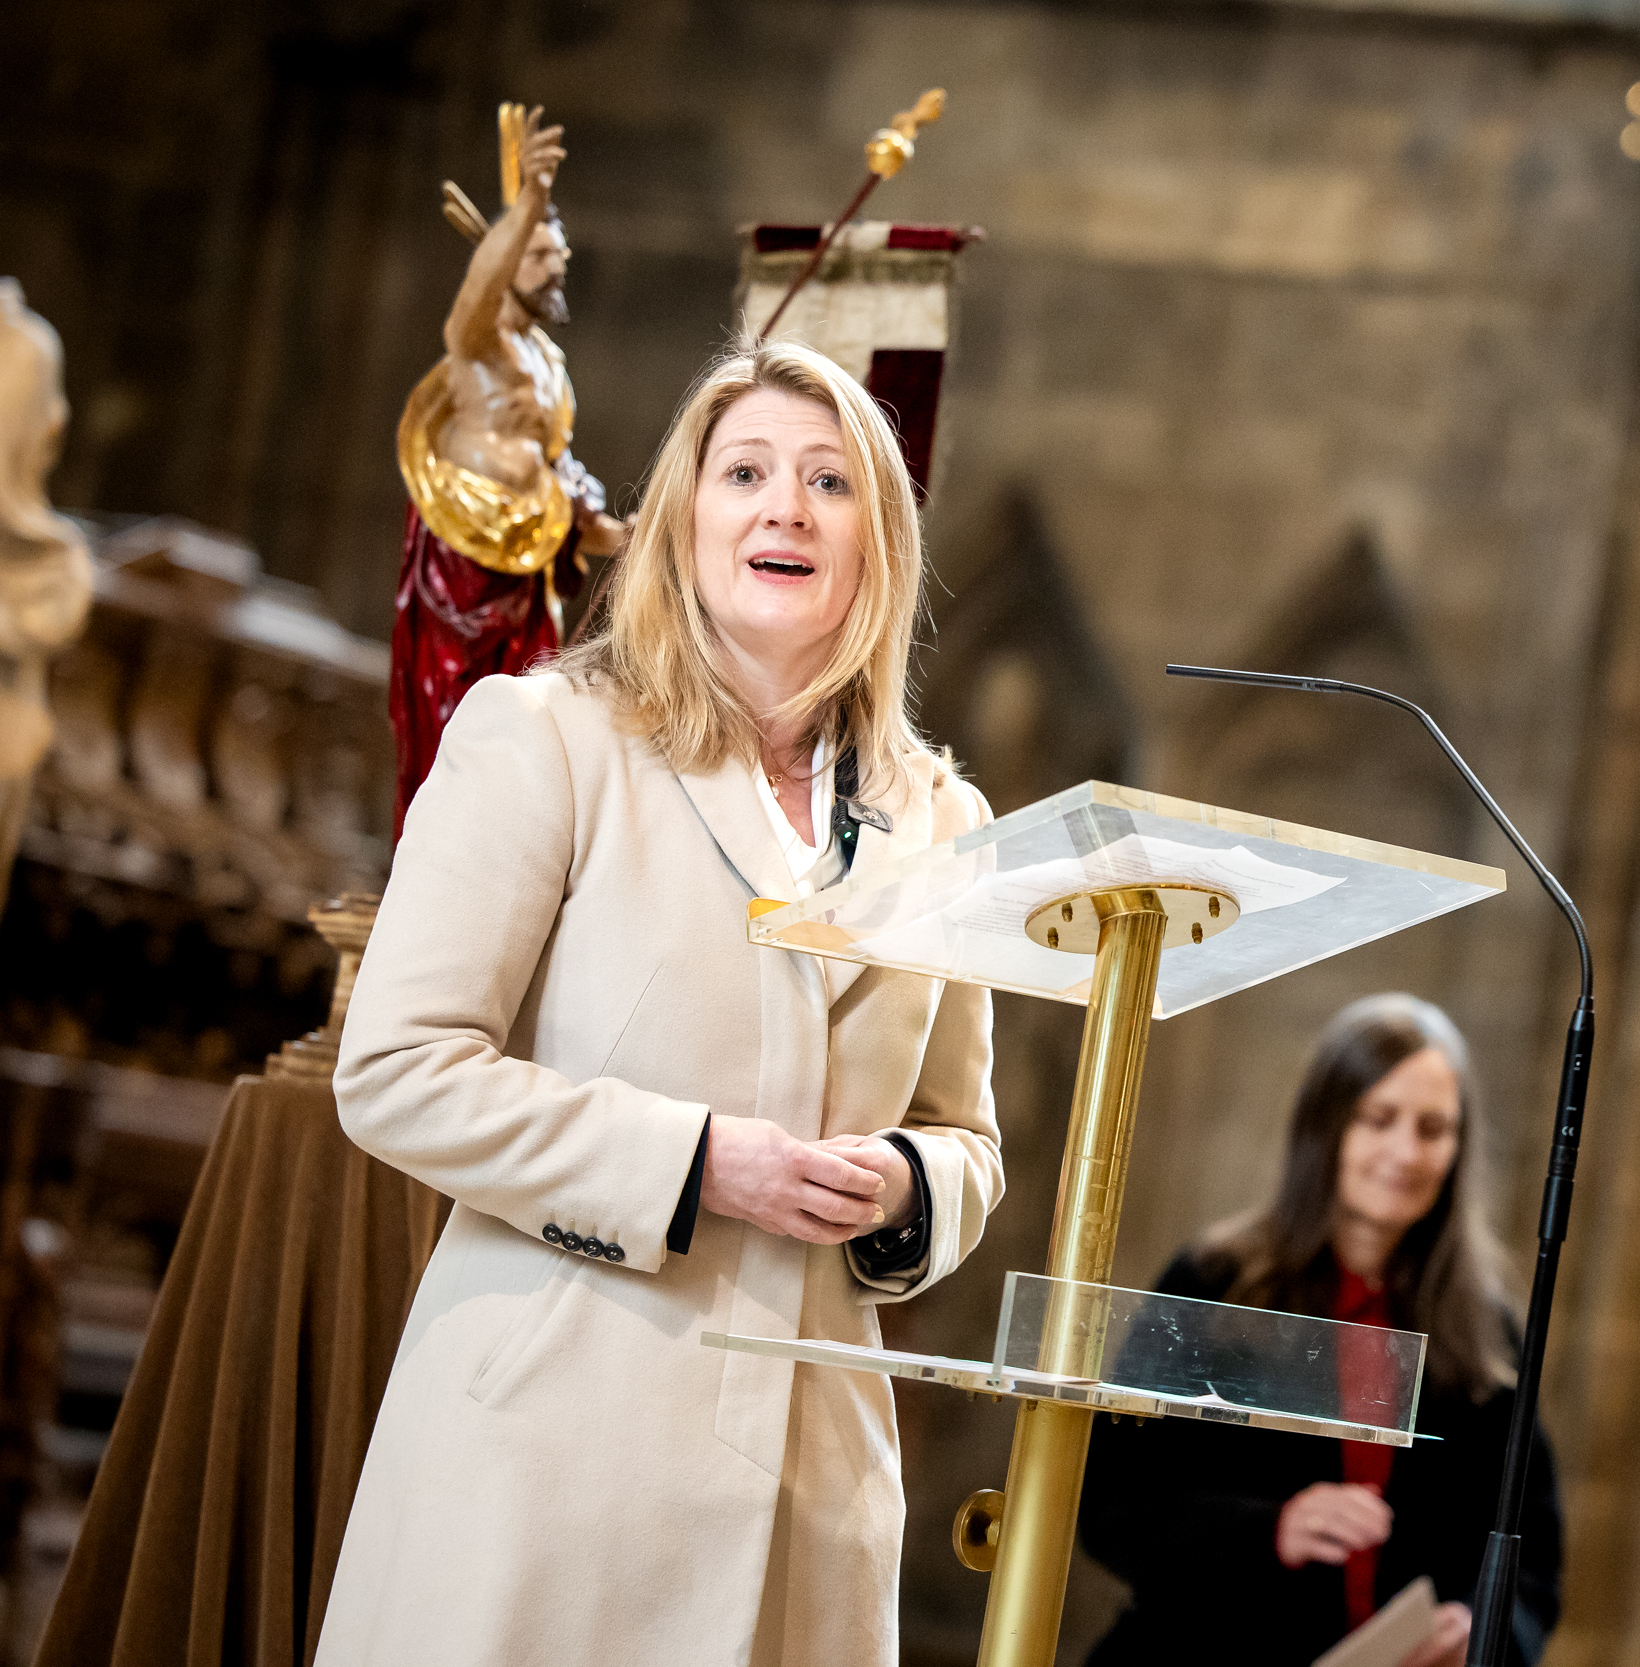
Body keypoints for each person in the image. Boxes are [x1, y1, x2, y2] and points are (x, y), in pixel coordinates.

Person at [317, 339, 1003, 1667]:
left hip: (810, 1484)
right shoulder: (550, 738)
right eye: (744, 473)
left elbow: (962, 1135)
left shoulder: (944, 821)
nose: (785, 507)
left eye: (828, 481)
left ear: (880, 539)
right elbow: (396, 1068)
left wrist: (908, 1187)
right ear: (684, 519)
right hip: (556, 1457)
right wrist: (694, 1162)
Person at [1081, 993, 1563, 1667]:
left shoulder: (1484, 1329)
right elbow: (1110, 1503)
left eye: (1433, 1129)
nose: (1406, 1151)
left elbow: (1532, 1553)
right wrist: (1271, 1530)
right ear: (1326, 1125)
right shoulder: (1215, 1282)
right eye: (1379, 1119)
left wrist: (1479, 1628)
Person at [390, 103, 629, 834]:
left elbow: (563, 480)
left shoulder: (550, 365)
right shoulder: (477, 346)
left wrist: (622, 537)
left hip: (530, 568)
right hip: (465, 567)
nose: (558, 265)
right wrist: (529, 201)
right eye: (538, 254)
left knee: (526, 731)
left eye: (560, 254)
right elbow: (477, 288)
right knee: (454, 722)